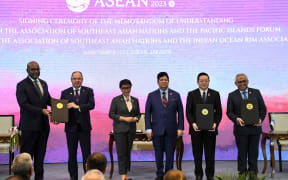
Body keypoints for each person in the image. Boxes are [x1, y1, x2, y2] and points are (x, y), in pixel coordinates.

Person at [145, 72, 184, 180]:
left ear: (169, 81)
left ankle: (169, 175)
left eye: (166, 79)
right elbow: (148, 113)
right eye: (161, 80)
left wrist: (180, 127)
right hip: (157, 130)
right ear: (158, 82)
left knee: (170, 154)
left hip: (171, 130)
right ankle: (159, 174)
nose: (164, 81)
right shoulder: (151, 95)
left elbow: (180, 112)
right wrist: (148, 128)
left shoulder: (176, 95)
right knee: (158, 154)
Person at [227, 73, 266, 179]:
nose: (242, 83)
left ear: (247, 82)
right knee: (242, 154)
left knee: (253, 154)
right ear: (236, 83)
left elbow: (263, 109)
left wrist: (260, 119)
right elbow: (229, 112)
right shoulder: (232, 95)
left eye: (244, 81)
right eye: (240, 82)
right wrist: (236, 119)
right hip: (241, 130)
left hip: (255, 129)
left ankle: (253, 175)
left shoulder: (256, 92)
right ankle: (242, 175)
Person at [16, 61, 51, 180]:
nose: (36, 71)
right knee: (26, 160)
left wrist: (62, 107)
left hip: (43, 128)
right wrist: (41, 111)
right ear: (27, 70)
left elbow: (48, 100)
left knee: (40, 159)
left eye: (37, 69)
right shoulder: (21, 85)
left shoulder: (44, 83)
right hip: (29, 128)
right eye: (33, 69)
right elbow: (24, 104)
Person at [186, 72, 222, 180]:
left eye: (206, 80)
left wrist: (215, 123)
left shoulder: (215, 94)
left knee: (210, 153)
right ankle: (198, 174)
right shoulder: (191, 94)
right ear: (197, 82)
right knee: (197, 153)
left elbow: (219, 112)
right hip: (196, 129)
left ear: (209, 81)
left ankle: (210, 174)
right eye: (201, 81)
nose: (204, 82)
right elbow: (188, 112)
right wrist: (193, 124)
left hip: (211, 129)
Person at [60, 71, 95, 180]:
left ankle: (88, 176)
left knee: (86, 154)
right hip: (71, 128)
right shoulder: (65, 92)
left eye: (79, 78)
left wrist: (77, 106)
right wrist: (58, 119)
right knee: (72, 154)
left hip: (84, 128)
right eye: (75, 78)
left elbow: (91, 105)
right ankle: (73, 176)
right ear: (71, 79)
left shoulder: (88, 91)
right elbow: (61, 109)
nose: (77, 80)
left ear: (82, 79)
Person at [109, 79, 141, 180]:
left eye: (128, 88)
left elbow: (138, 114)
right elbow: (111, 114)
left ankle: (126, 173)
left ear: (130, 88)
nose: (126, 90)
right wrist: (124, 118)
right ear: (120, 89)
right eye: (124, 88)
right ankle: (123, 175)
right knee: (121, 152)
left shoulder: (135, 100)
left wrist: (135, 118)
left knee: (127, 151)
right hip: (120, 129)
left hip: (131, 129)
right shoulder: (116, 100)